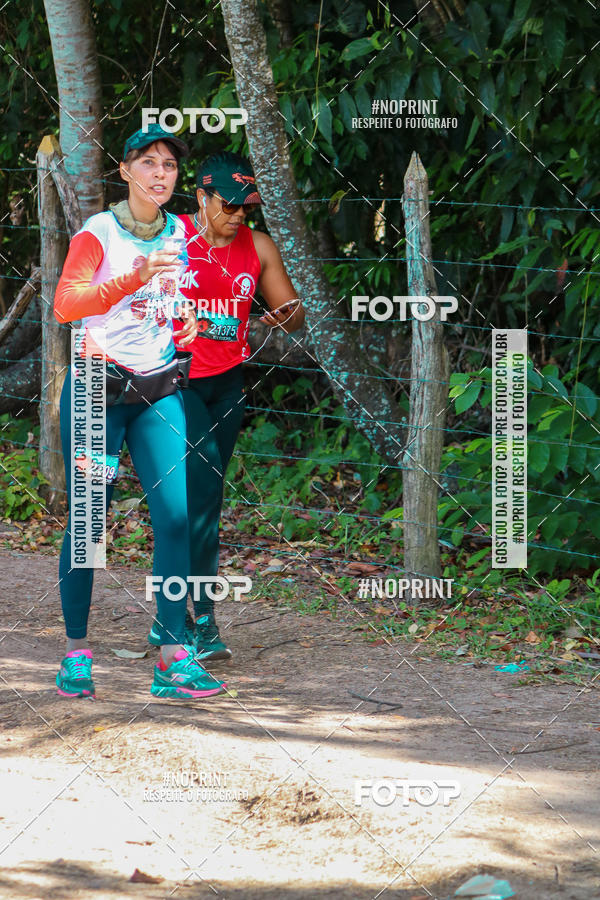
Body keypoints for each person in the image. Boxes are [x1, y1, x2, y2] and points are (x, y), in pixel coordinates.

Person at [54, 124, 227, 700]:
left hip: (158, 392)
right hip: (96, 395)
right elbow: (66, 304)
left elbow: (172, 304)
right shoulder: (97, 233)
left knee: (176, 521)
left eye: (170, 166)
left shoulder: (181, 230)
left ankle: (172, 656)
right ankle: (76, 653)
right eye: (147, 163)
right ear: (124, 171)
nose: (160, 173)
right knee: (88, 528)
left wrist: (185, 326)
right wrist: (134, 276)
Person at [148, 150, 304, 660]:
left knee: (200, 501)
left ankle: (169, 615)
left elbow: (291, 312)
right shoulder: (169, 238)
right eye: (229, 205)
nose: (239, 215)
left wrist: (281, 314)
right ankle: (203, 621)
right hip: (176, 381)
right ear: (201, 196)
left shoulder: (257, 245)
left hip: (228, 385)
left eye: (246, 207)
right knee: (200, 493)